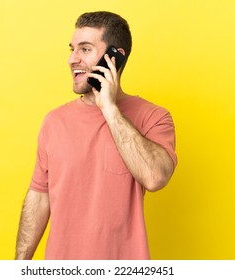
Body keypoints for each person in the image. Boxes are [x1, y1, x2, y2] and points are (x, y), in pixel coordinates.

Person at [15, 11, 177, 260]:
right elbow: (39, 196)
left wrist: (110, 109)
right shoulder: (54, 122)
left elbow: (155, 177)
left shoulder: (153, 117)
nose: (72, 59)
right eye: (72, 49)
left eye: (85, 49)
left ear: (114, 58)